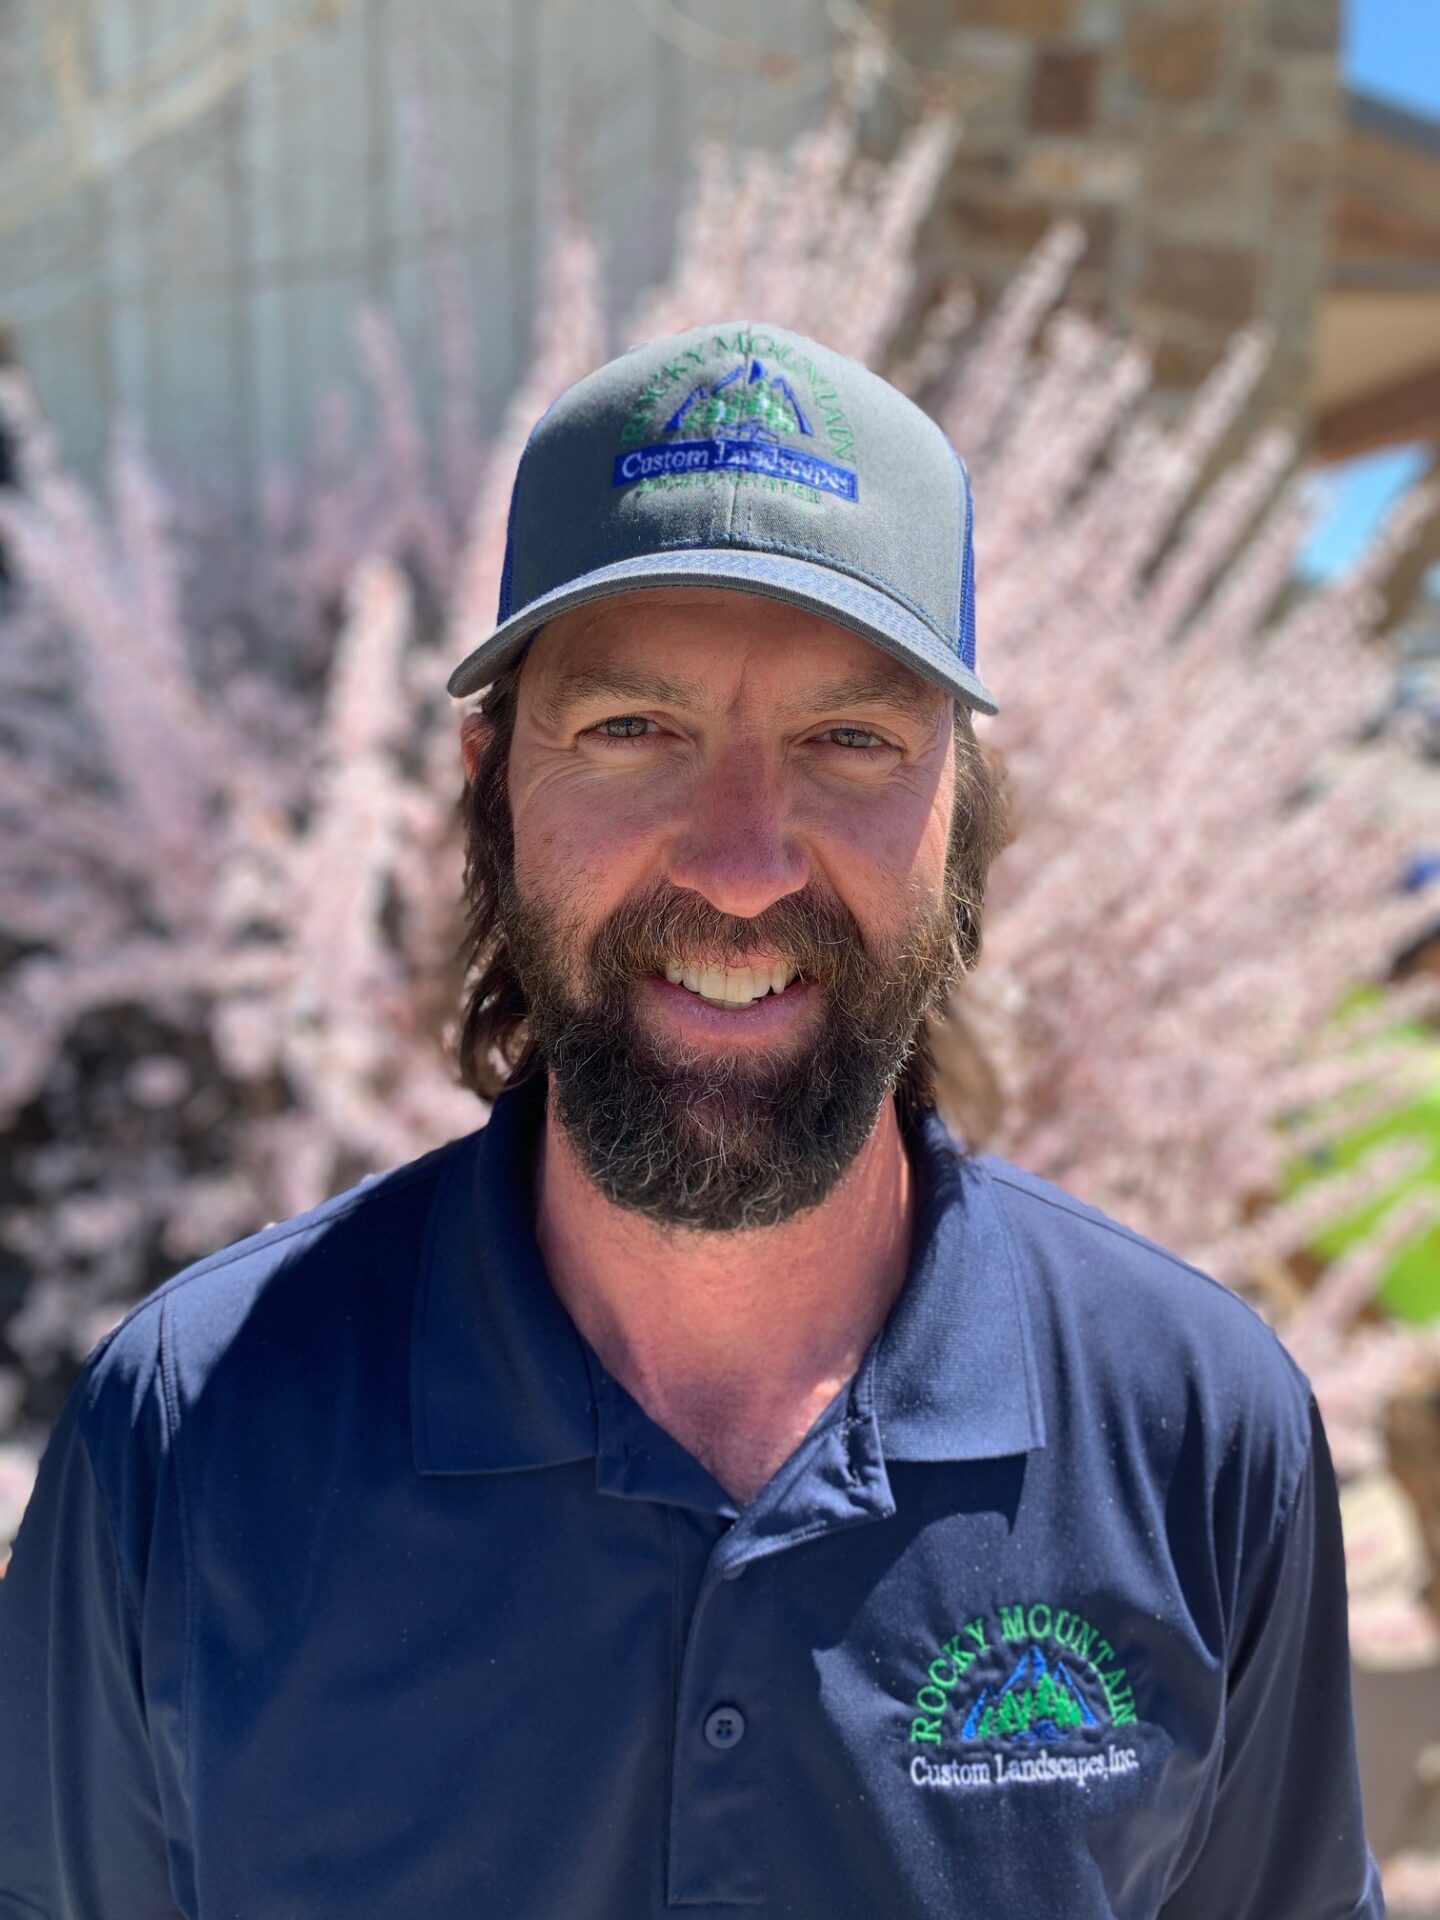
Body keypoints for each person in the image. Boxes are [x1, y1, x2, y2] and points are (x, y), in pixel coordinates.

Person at [0, 322, 1382, 1919]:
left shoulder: (1194, 1433)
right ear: (493, 782)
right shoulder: (187, 1438)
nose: (740, 864)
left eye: (850, 741)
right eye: (632, 732)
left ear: (962, 814)